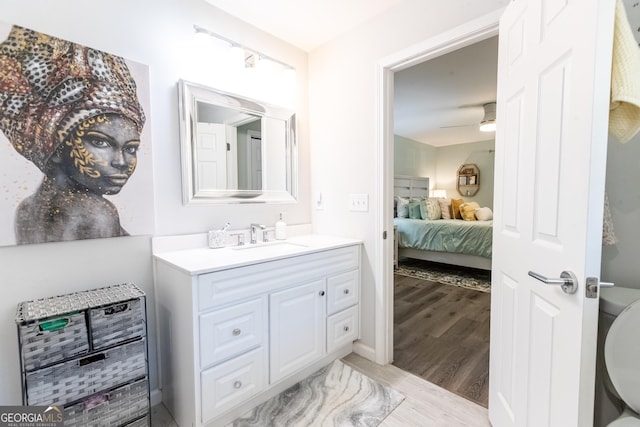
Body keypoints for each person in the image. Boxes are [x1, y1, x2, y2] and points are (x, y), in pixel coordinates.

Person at [0, 25, 146, 244]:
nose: (121, 162)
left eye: (131, 148)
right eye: (100, 142)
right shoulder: (97, 213)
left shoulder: (26, 209)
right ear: (57, 147)